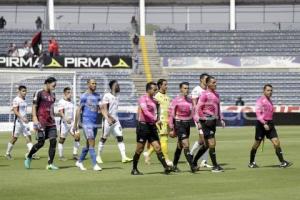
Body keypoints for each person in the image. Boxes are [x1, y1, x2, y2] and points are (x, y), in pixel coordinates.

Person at [131, 82, 172, 175]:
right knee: (139, 149)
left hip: (152, 126)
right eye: (154, 89)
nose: (155, 91)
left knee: (157, 147)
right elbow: (145, 111)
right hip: (143, 126)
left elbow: (157, 111)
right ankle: (134, 169)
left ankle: (166, 168)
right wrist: (155, 120)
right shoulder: (142, 99)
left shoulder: (154, 100)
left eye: (156, 89)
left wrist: (157, 119)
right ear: (148, 89)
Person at [248, 84, 292, 168]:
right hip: (261, 125)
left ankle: (283, 162)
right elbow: (258, 114)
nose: (270, 92)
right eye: (268, 90)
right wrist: (264, 123)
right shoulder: (260, 101)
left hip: (270, 124)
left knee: (276, 142)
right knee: (256, 144)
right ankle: (251, 162)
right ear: (264, 91)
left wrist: (269, 123)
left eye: (271, 90)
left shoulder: (270, 101)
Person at [24, 77, 59, 170]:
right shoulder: (39, 92)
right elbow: (34, 106)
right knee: (41, 143)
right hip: (41, 122)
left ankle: (50, 164)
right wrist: (35, 119)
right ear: (47, 83)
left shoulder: (53, 95)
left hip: (51, 122)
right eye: (53, 85)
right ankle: (29, 156)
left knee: (53, 141)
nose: (55, 87)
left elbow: (51, 108)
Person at [194, 76, 226, 173]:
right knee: (212, 143)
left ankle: (194, 161)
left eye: (216, 82)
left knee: (207, 145)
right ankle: (215, 166)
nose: (215, 84)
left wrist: (222, 118)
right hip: (206, 121)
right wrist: (202, 119)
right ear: (208, 84)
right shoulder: (204, 94)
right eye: (213, 82)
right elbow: (198, 108)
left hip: (213, 121)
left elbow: (218, 108)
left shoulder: (216, 94)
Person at [97, 80, 132, 164]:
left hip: (116, 121)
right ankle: (98, 156)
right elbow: (104, 109)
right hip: (107, 121)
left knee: (120, 137)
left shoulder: (117, 96)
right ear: (112, 86)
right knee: (104, 138)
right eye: (117, 85)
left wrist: (114, 118)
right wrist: (109, 117)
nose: (118, 86)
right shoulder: (107, 96)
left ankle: (124, 157)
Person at [73, 79, 102, 171]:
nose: (95, 85)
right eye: (93, 83)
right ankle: (95, 164)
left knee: (88, 144)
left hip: (95, 123)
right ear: (88, 84)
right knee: (92, 142)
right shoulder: (84, 96)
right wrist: (75, 124)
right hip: (86, 123)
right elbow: (78, 110)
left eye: (95, 83)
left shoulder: (98, 96)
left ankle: (79, 162)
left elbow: (100, 109)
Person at [143, 79, 173, 166]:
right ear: (160, 86)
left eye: (167, 84)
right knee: (164, 139)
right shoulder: (156, 97)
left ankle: (148, 153)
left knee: (160, 141)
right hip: (160, 121)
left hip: (167, 121)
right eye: (165, 85)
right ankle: (166, 159)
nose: (166, 86)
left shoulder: (167, 97)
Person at [169, 82, 197, 173]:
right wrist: (172, 128)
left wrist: (198, 122)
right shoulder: (176, 100)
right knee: (186, 144)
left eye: (188, 88)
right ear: (180, 89)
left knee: (180, 146)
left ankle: (174, 165)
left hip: (187, 124)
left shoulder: (190, 100)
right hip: (179, 124)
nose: (187, 90)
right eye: (185, 88)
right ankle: (192, 166)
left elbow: (193, 114)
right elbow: (171, 115)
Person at [5, 86, 38, 160]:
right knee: (14, 138)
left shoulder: (24, 100)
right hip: (18, 123)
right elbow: (15, 111)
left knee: (28, 137)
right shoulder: (16, 99)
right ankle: (7, 153)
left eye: (25, 91)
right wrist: (22, 118)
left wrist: (25, 118)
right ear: (19, 91)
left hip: (25, 123)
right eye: (23, 91)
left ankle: (31, 154)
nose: (25, 92)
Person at [190, 73, 212, 168]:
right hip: (199, 117)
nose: (208, 81)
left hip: (207, 117)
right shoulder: (196, 90)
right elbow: (194, 105)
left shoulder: (208, 90)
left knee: (203, 140)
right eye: (206, 79)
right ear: (201, 80)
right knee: (205, 139)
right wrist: (197, 120)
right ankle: (191, 155)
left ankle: (202, 160)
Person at [57, 87, 80, 161]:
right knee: (62, 140)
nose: (70, 94)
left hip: (72, 123)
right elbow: (60, 112)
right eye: (68, 93)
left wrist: (76, 123)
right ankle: (61, 156)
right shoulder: (61, 102)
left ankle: (75, 154)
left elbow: (75, 112)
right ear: (64, 93)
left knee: (77, 137)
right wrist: (65, 118)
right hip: (64, 124)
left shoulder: (72, 102)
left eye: (70, 93)